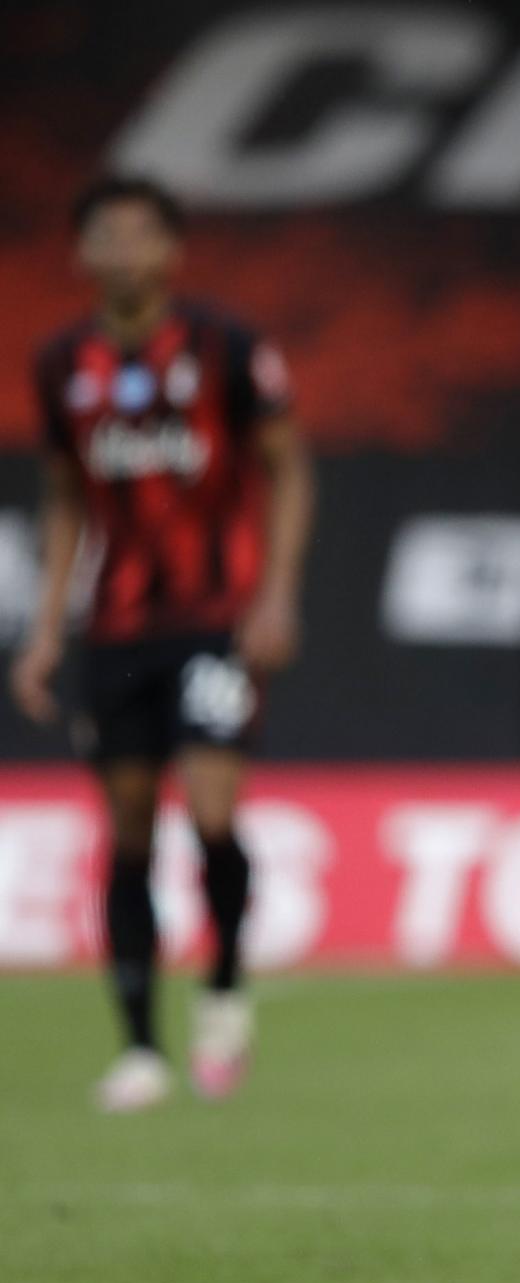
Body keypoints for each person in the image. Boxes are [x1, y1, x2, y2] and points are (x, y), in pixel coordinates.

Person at [10, 174, 314, 1112]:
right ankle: (141, 1047)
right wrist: (47, 625)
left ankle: (222, 985)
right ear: (83, 254)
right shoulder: (64, 363)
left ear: (172, 253)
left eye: (142, 236)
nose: (124, 252)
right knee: (131, 830)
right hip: (115, 628)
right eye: (106, 236)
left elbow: (289, 469)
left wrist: (274, 595)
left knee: (215, 813)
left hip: (216, 618)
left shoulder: (225, 347)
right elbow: (66, 493)